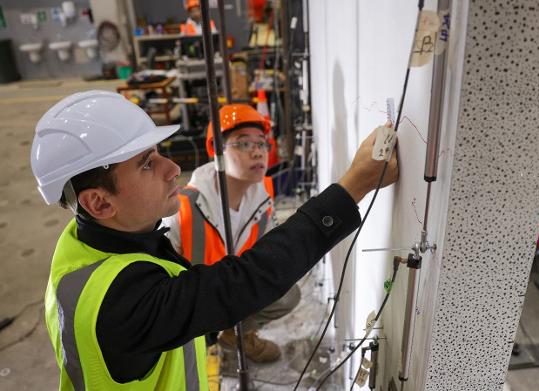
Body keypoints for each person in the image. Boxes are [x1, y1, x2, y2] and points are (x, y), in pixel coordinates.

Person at [31, 90, 399, 390]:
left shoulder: (88, 241)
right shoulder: (120, 304)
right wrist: (355, 185)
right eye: (147, 163)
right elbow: (245, 280)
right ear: (98, 202)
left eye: (159, 154)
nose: (173, 169)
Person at [164, 104, 296, 363]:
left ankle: (236, 334)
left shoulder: (263, 197)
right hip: (193, 305)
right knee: (187, 364)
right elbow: (162, 290)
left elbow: (265, 256)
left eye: (262, 143)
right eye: (244, 144)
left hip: (233, 290)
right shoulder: (183, 207)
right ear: (217, 151)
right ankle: (204, 341)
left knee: (287, 293)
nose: (258, 152)